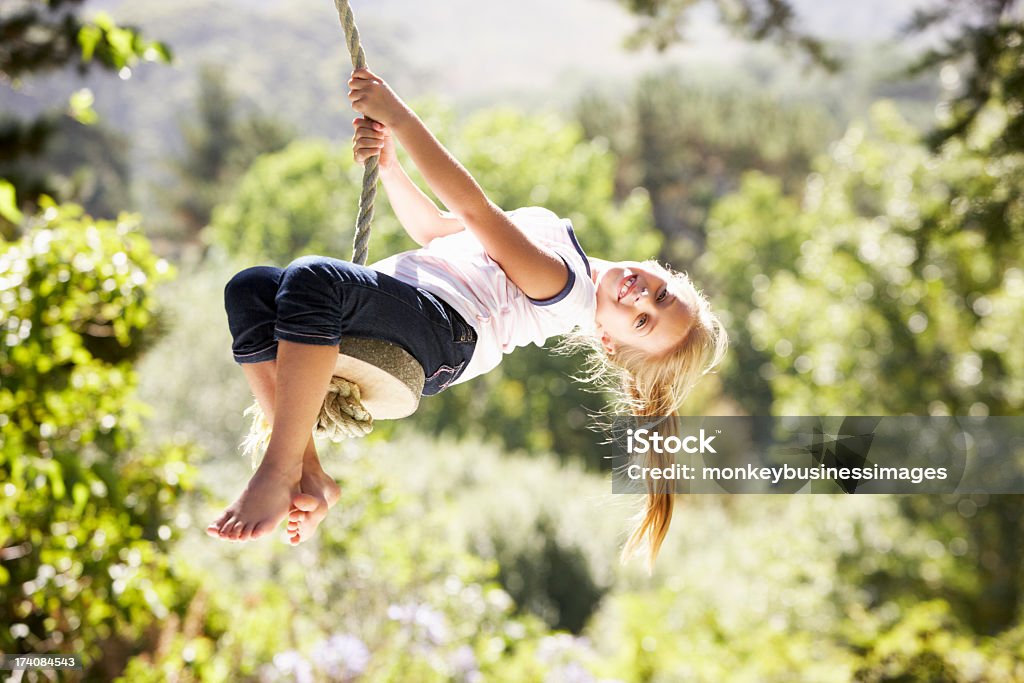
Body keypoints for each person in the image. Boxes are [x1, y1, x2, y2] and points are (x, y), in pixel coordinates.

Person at [207, 68, 727, 567]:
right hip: (413, 304)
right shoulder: (554, 232)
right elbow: (437, 231)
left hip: (442, 333)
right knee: (250, 289)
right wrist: (390, 165)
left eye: (642, 322)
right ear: (663, 271)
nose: (641, 299)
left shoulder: (566, 290)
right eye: (662, 295)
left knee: (312, 279)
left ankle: (278, 469)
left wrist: (401, 119)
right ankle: (311, 476)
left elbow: (476, 210)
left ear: (608, 343)